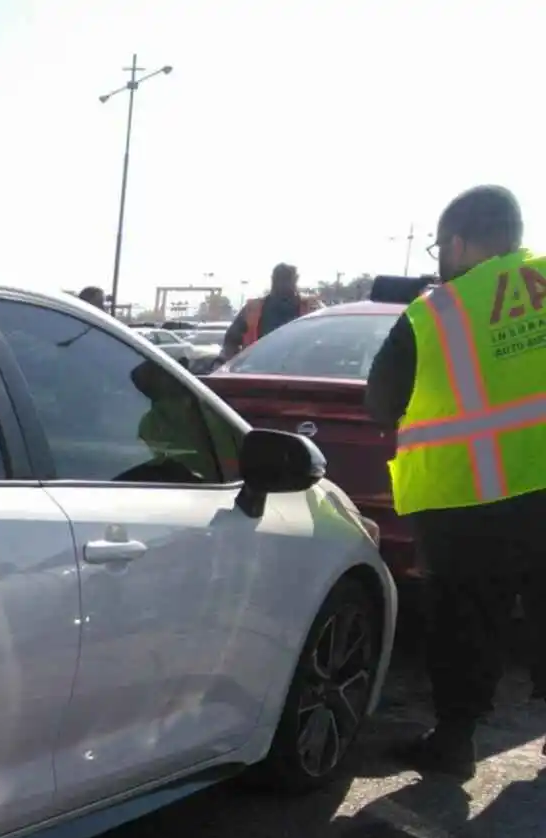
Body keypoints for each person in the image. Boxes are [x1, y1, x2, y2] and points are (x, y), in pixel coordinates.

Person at [365, 184, 546, 778]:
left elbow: (382, 402)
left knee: (467, 620)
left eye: (442, 247)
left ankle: (455, 739)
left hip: (472, 496)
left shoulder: (436, 313)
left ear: (462, 242)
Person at [219, 264, 320, 362]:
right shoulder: (253, 309)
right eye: (279, 279)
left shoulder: (311, 308)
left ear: (295, 280)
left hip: (299, 371)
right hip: (257, 370)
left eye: (286, 279)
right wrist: (235, 365)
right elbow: (230, 341)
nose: (283, 284)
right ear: (273, 280)